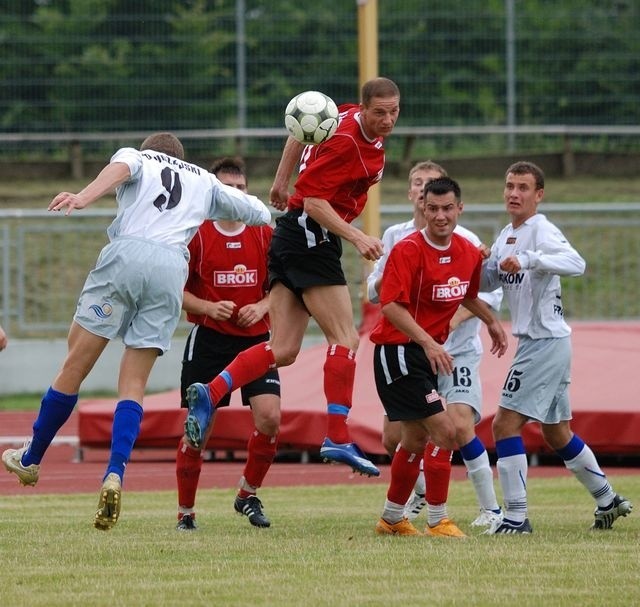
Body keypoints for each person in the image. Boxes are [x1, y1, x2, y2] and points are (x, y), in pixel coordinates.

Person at [1, 133, 271, 531]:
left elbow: (121, 169)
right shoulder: (204, 180)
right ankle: (115, 472)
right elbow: (257, 211)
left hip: (127, 255)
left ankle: (31, 458)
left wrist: (83, 196)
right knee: (134, 381)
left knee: (75, 365)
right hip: (170, 270)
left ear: (151, 151)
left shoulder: (138, 156)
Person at [184, 77, 401, 477]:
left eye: (394, 111)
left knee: (282, 349)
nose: (388, 119)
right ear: (364, 108)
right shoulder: (347, 142)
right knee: (346, 337)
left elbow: (297, 131)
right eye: (380, 112)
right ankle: (337, 434)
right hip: (310, 235)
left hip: (289, 235)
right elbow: (316, 202)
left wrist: (280, 183)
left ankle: (210, 392)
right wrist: (356, 237)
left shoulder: (339, 115)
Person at [482, 161, 633, 534]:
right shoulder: (506, 233)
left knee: (504, 424)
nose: (514, 193)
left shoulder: (541, 229)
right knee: (556, 432)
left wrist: (532, 260)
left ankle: (516, 519)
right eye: (509, 186)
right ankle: (607, 499)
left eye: (522, 187)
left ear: (539, 195)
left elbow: (575, 262)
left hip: (544, 342)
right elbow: (490, 276)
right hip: (545, 342)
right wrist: (478, 258)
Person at [367, 163, 503, 537]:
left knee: (413, 439)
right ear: (422, 209)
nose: (440, 216)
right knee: (444, 431)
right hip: (398, 351)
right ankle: (438, 519)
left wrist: (490, 321)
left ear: (459, 209)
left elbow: (468, 294)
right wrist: (428, 342)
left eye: (448, 209)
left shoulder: (466, 250)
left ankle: (392, 518)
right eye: (433, 209)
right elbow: (390, 305)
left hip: (424, 354)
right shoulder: (407, 248)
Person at [175, 157, 279, 531]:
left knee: (270, 418)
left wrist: (263, 305)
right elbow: (173, 289)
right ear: (212, 193)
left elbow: (284, 288)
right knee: (198, 430)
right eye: (226, 189)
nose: (235, 195)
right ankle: (186, 513)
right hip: (209, 342)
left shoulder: (265, 232)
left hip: (255, 341)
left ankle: (247, 494)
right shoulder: (195, 233)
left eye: (241, 188)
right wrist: (207, 307)